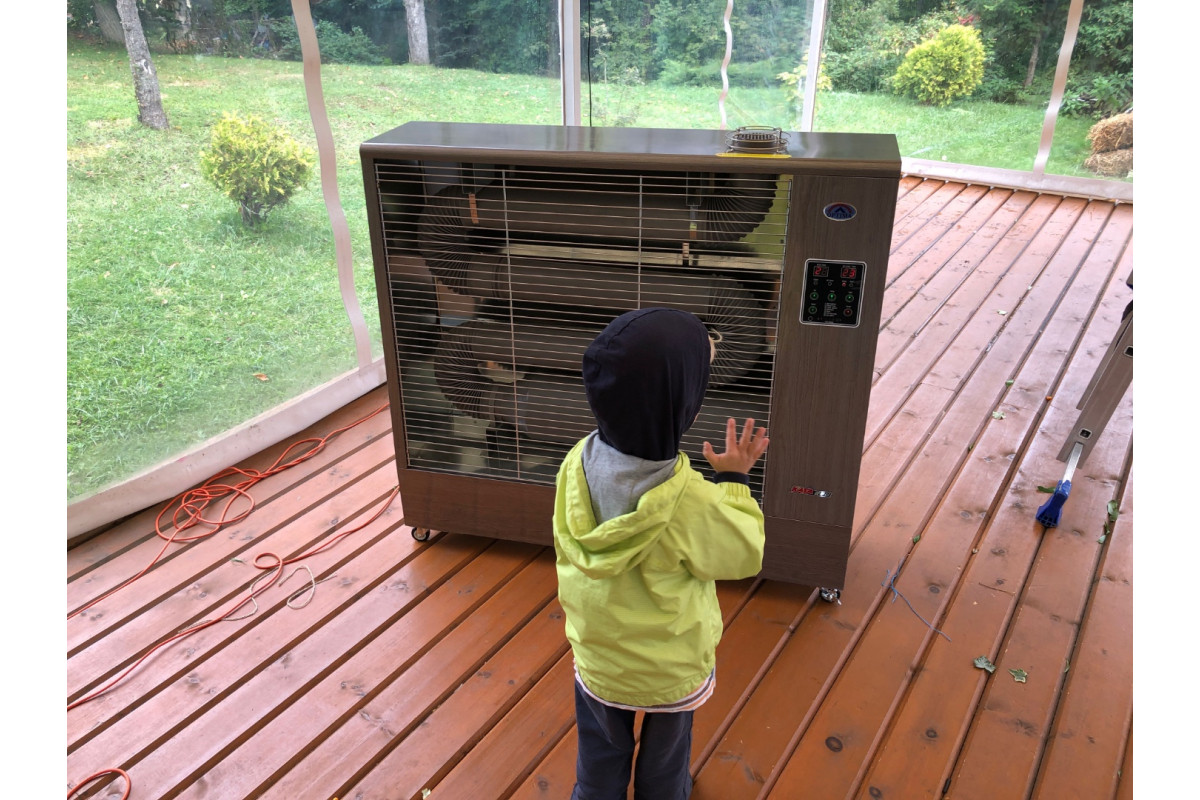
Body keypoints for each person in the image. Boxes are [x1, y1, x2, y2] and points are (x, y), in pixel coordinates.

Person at [552, 307, 770, 800]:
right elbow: (743, 554)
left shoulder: (575, 463)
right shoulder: (688, 500)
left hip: (600, 656)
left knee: (600, 749)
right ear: (685, 405)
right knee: (666, 756)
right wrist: (734, 481)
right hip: (670, 667)